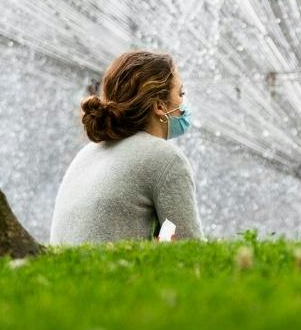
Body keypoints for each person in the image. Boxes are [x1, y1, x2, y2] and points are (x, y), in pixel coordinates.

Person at [49, 50, 201, 244]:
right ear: (160, 106)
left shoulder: (87, 154)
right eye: (181, 94)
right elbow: (189, 247)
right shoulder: (166, 158)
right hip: (111, 273)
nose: (184, 103)